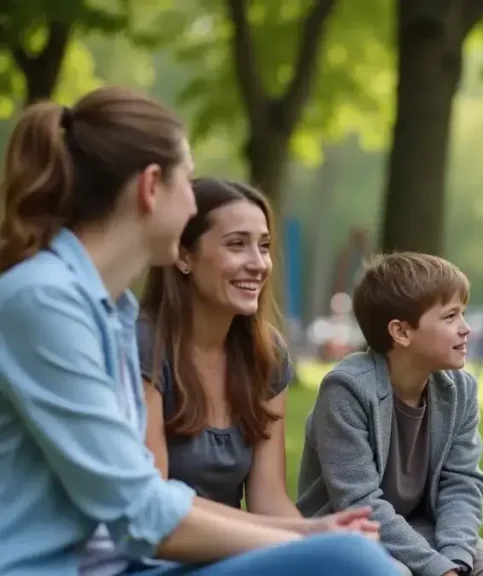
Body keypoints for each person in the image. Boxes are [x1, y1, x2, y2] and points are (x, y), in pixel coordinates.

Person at [0, 87, 399, 576]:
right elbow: (143, 514)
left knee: (347, 554)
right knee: (348, 560)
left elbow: (148, 496)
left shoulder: (111, 310)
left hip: (129, 565)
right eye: (187, 181)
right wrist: (306, 538)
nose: (192, 202)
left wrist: (308, 532)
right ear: (151, 186)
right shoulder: (43, 300)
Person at [137, 177, 376, 539]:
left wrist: (315, 533)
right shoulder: (144, 346)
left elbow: (268, 497)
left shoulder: (266, 354)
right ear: (184, 255)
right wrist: (306, 533)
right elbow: (154, 504)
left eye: (263, 247)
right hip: (164, 550)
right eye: (237, 245)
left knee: (362, 558)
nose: (258, 263)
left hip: (238, 545)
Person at [296, 252, 483, 576]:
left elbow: (461, 482)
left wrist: (455, 559)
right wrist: (436, 568)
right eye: (450, 316)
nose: (466, 328)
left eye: (464, 313)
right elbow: (359, 503)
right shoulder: (346, 390)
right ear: (401, 332)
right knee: (397, 573)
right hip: (344, 533)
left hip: (417, 527)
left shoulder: (460, 389)